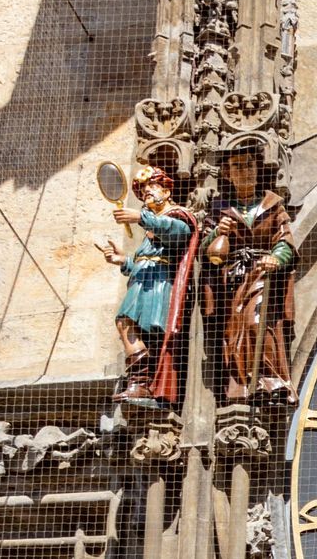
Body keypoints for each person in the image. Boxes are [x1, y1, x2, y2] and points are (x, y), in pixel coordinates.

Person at [98, 161, 200, 405]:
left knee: (144, 330)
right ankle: (140, 382)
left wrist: (141, 218)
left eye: (152, 186)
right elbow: (143, 261)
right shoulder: (151, 227)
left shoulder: (176, 216)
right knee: (126, 324)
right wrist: (123, 261)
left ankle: (143, 383)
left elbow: (180, 232)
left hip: (159, 284)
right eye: (143, 191)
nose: (147, 192)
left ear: (167, 191)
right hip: (143, 281)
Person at [204, 142, 297, 400]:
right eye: (237, 166)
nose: (244, 171)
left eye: (249, 165)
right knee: (234, 333)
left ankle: (269, 378)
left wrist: (275, 258)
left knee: (257, 322)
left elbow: (286, 241)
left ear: (258, 169)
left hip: (261, 274)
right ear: (227, 173)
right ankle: (242, 383)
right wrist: (216, 232)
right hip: (232, 281)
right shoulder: (219, 209)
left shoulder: (272, 205)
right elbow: (204, 250)